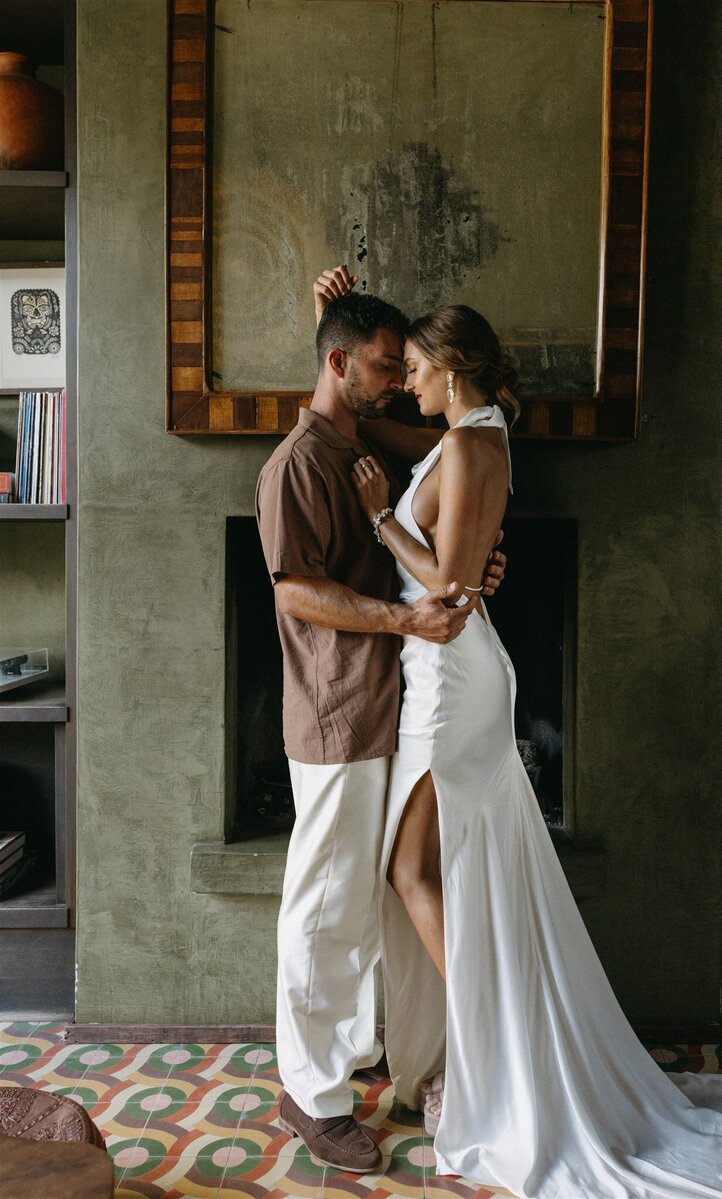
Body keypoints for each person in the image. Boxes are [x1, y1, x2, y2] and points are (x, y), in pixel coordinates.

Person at [344, 297, 722, 1198]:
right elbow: (405, 451)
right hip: (437, 675)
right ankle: (493, 1041)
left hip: (453, 678)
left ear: (452, 365)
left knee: (410, 868)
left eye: (418, 369)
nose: (408, 385)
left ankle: (496, 1050)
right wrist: (341, 320)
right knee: (421, 867)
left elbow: (457, 586)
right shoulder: (465, 432)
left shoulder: (477, 443)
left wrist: (378, 523)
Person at [254, 270, 505, 1174]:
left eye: (407, 364)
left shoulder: (366, 444)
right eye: (385, 364)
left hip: (395, 702)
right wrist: (409, 618)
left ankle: (410, 1067)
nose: (400, 377)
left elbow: (428, 537)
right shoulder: (293, 464)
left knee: (384, 900)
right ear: (337, 362)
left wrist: (471, 568)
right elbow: (294, 591)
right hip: (334, 712)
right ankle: (313, 1096)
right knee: (323, 909)